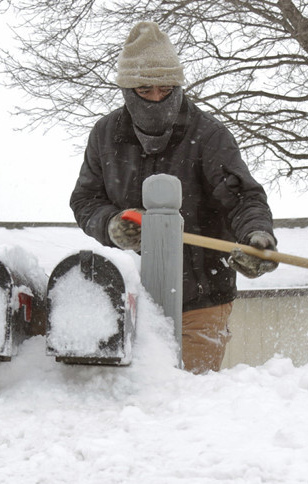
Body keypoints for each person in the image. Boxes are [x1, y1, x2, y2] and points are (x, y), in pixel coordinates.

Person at [70, 21, 278, 373]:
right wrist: (111, 224)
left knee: (188, 403)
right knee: (139, 404)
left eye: (166, 89)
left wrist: (256, 234)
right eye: (145, 89)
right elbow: (85, 200)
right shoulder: (106, 136)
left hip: (203, 299)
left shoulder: (209, 135)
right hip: (134, 303)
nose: (156, 98)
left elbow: (243, 198)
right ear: (127, 90)